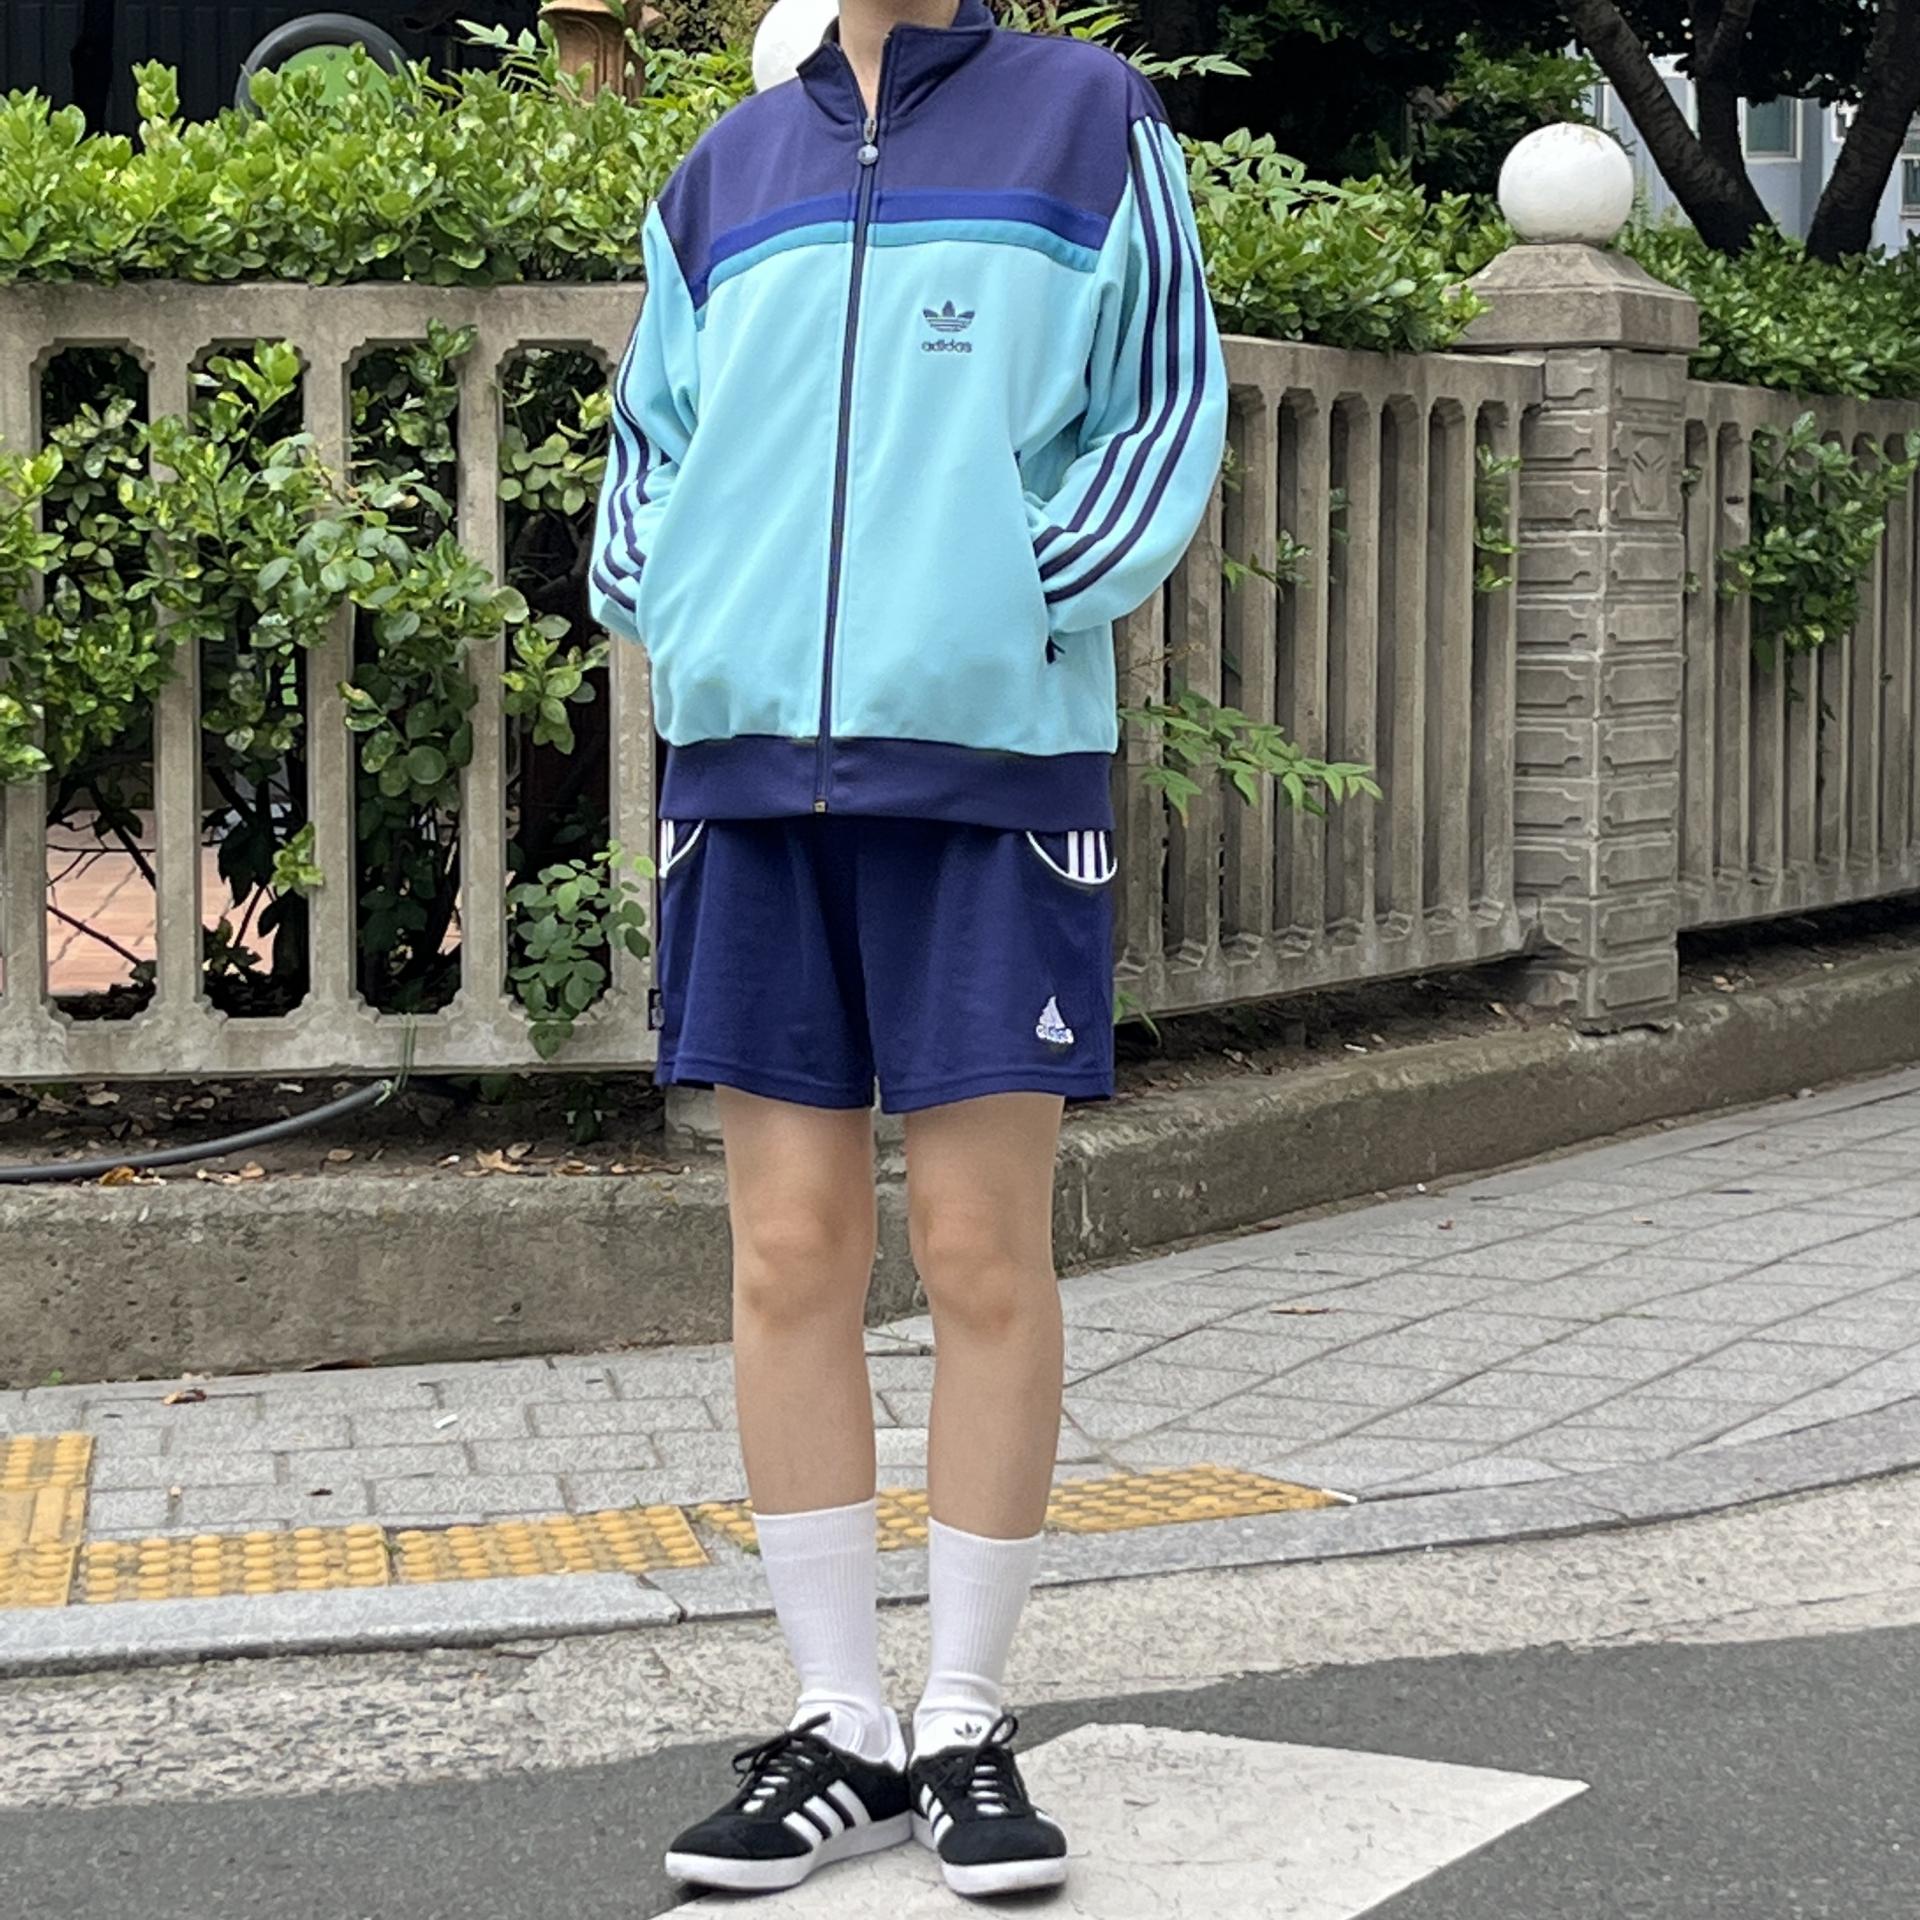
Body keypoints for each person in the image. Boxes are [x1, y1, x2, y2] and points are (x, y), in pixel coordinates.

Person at [590, 0, 1225, 1896]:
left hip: (988, 763)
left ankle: (960, 1717)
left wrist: (1002, 593)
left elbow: (1157, 408)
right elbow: (647, 453)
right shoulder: (723, 174)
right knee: (788, 1249)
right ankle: (838, 1723)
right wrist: (694, 609)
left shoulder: (1086, 120)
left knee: (978, 1250)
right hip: (748, 769)